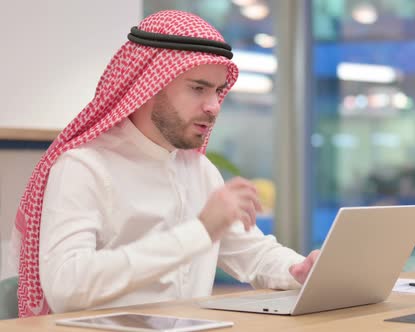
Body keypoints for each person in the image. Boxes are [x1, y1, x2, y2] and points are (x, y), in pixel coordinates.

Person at [11, 10, 319, 317]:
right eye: (198, 88)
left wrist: (298, 268)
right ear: (149, 85)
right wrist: (199, 231)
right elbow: (68, 289)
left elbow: (251, 254)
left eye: (217, 91)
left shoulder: (200, 171)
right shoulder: (84, 167)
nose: (213, 107)